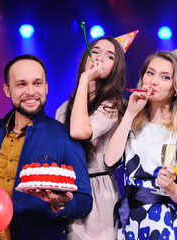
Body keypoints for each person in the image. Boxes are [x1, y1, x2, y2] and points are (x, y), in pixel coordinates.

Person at [0, 54, 93, 240]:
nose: (31, 91)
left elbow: (84, 201)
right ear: (7, 90)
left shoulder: (66, 137)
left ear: (46, 87)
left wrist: (61, 204)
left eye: (37, 83)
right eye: (21, 84)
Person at [104, 40, 177, 240]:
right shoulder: (131, 122)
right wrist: (129, 114)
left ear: (175, 87)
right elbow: (110, 161)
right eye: (150, 73)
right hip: (128, 220)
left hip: (160, 223)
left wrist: (170, 187)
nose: (153, 81)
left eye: (165, 77)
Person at [56, 31, 138, 240]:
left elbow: (80, 131)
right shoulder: (64, 108)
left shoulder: (113, 105)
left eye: (109, 56)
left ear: (115, 69)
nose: (99, 58)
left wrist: (85, 79)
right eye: (95, 52)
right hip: (65, 191)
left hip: (97, 192)